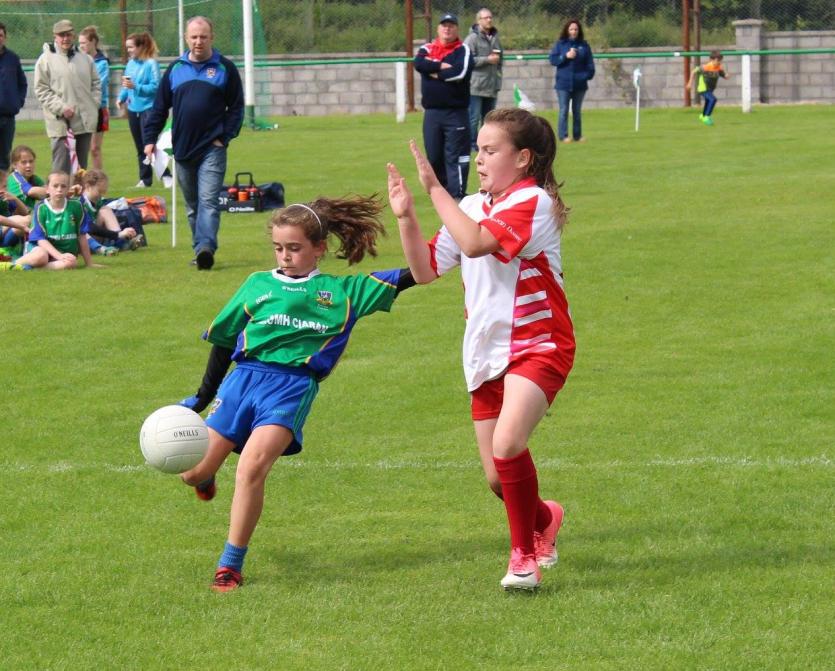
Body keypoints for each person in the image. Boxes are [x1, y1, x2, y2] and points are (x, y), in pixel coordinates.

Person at [175, 196, 415, 592]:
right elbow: (223, 340)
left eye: (295, 248)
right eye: (279, 248)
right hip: (241, 381)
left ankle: (230, 564)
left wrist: (458, 248)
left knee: (251, 467)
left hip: (290, 389)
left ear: (319, 248)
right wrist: (202, 397)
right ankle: (206, 477)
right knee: (192, 472)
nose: (285, 256)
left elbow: (412, 275)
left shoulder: (343, 292)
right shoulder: (257, 284)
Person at [387, 108, 575, 591]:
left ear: (523, 158)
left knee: (509, 444)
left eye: (491, 150)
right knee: (497, 478)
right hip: (484, 351)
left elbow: (474, 245)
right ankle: (543, 521)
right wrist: (408, 217)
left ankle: (522, 559)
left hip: (540, 343)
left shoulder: (533, 201)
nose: (480, 158)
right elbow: (428, 268)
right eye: (479, 149)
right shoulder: (471, 204)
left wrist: (434, 190)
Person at [143, 16, 243, 271]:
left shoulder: (225, 69)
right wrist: (149, 140)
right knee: (193, 206)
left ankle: (205, 249)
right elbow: (159, 108)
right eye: (194, 37)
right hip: (183, 149)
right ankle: (199, 248)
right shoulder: (176, 68)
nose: (199, 41)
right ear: (187, 38)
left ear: (212, 38)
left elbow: (236, 108)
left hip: (213, 148)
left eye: (203, 37)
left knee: (208, 202)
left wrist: (225, 137)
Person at [413, 13, 474, 201]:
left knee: (455, 156)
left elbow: (459, 73)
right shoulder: (427, 48)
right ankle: (441, 193)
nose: (447, 29)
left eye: (451, 25)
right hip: (432, 113)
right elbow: (419, 64)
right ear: (438, 29)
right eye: (444, 25)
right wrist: (441, 65)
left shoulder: (463, 50)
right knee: (434, 155)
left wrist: (434, 73)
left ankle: (457, 194)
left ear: (457, 29)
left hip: (455, 113)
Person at [33, 20, 101, 175]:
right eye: (61, 35)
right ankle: (57, 198)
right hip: (60, 124)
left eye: (68, 35)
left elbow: (96, 84)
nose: (65, 39)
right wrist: (61, 108)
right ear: (55, 37)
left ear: (73, 35)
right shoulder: (45, 60)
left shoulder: (85, 59)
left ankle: (78, 198)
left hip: (83, 122)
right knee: (60, 169)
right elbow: (41, 89)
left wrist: (93, 104)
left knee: (81, 169)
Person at [6, 170, 98, 271]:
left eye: (63, 186)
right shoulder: (41, 208)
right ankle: (11, 265)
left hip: (64, 253)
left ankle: (29, 269)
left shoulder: (76, 206)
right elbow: (40, 240)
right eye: (55, 186)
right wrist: (58, 256)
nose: (59, 190)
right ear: (47, 189)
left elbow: (82, 236)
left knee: (71, 262)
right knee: (41, 256)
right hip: (42, 249)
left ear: (68, 189)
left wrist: (89, 263)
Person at [117, 32, 172, 188]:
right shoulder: (130, 64)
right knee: (140, 146)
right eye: (127, 47)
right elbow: (126, 83)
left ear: (141, 47)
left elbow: (156, 87)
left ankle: (166, 175)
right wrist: (121, 97)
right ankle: (145, 179)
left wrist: (137, 87)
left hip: (149, 109)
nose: (128, 50)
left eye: (131, 47)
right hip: (133, 109)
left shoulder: (151, 63)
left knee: (150, 145)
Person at [549, 19, 595, 144]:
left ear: (578, 31)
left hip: (580, 85)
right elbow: (552, 60)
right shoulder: (560, 44)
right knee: (563, 110)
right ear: (567, 30)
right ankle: (563, 136)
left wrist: (585, 76)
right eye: (571, 29)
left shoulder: (584, 45)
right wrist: (565, 56)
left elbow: (590, 64)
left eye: (576, 29)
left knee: (577, 111)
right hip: (563, 84)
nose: (573, 31)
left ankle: (577, 135)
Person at [76, 168, 143, 253]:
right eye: (99, 191)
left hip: (96, 237)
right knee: (84, 226)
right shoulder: (79, 203)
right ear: (88, 186)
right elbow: (89, 228)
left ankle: (121, 243)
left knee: (105, 210)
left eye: (103, 192)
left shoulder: (98, 202)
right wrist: (118, 234)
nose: (101, 195)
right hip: (83, 243)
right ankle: (103, 248)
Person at [463, 8, 503, 153]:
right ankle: (471, 145)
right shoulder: (472, 39)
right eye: (486, 18)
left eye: (490, 17)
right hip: (476, 86)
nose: (489, 20)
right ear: (478, 20)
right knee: (473, 119)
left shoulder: (495, 38)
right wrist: (487, 60)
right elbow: (467, 60)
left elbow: (500, 60)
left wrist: (498, 78)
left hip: (491, 85)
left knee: (489, 119)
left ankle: (485, 145)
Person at [78, 26, 109, 170]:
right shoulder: (78, 60)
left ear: (93, 42)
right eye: (80, 43)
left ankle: (98, 180)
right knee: (79, 147)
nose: (81, 46)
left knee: (95, 148)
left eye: (84, 43)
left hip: (98, 109)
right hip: (80, 108)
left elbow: (97, 85)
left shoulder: (102, 63)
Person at [0, 22, 28, 173]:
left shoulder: (12, 59)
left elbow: (22, 83)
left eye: (1, 35)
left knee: (5, 159)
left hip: (7, 118)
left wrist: (18, 102)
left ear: (5, 38)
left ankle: (3, 193)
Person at [686, 50, 730, 126]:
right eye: (717, 60)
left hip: (710, 89)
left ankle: (703, 116)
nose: (719, 62)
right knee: (713, 99)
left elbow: (724, 75)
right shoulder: (706, 67)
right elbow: (693, 72)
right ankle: (707, 116)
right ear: (711, 60)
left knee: (708, 101)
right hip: (703, 88)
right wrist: (690, 83)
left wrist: (727, 75)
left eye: (720, 61)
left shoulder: (718, 68)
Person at [7, 145, 47, 211]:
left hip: (23, 214)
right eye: (24, 162)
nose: (28, 165)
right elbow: (31, 191)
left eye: (31, 161)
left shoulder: (33, 178)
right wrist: (58, 191)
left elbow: (45, 190)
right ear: (14, 165)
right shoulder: (16, 178)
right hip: (10, 217)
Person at [0, 169, 30, 254]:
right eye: (4, 186)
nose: (6, 189)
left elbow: (25, 213)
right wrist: (21, 226)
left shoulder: (4, 198)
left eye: (6, 186)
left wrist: (15, 199)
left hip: (3, 234)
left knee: (25, 221)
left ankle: (7, 251)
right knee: (22, 222)